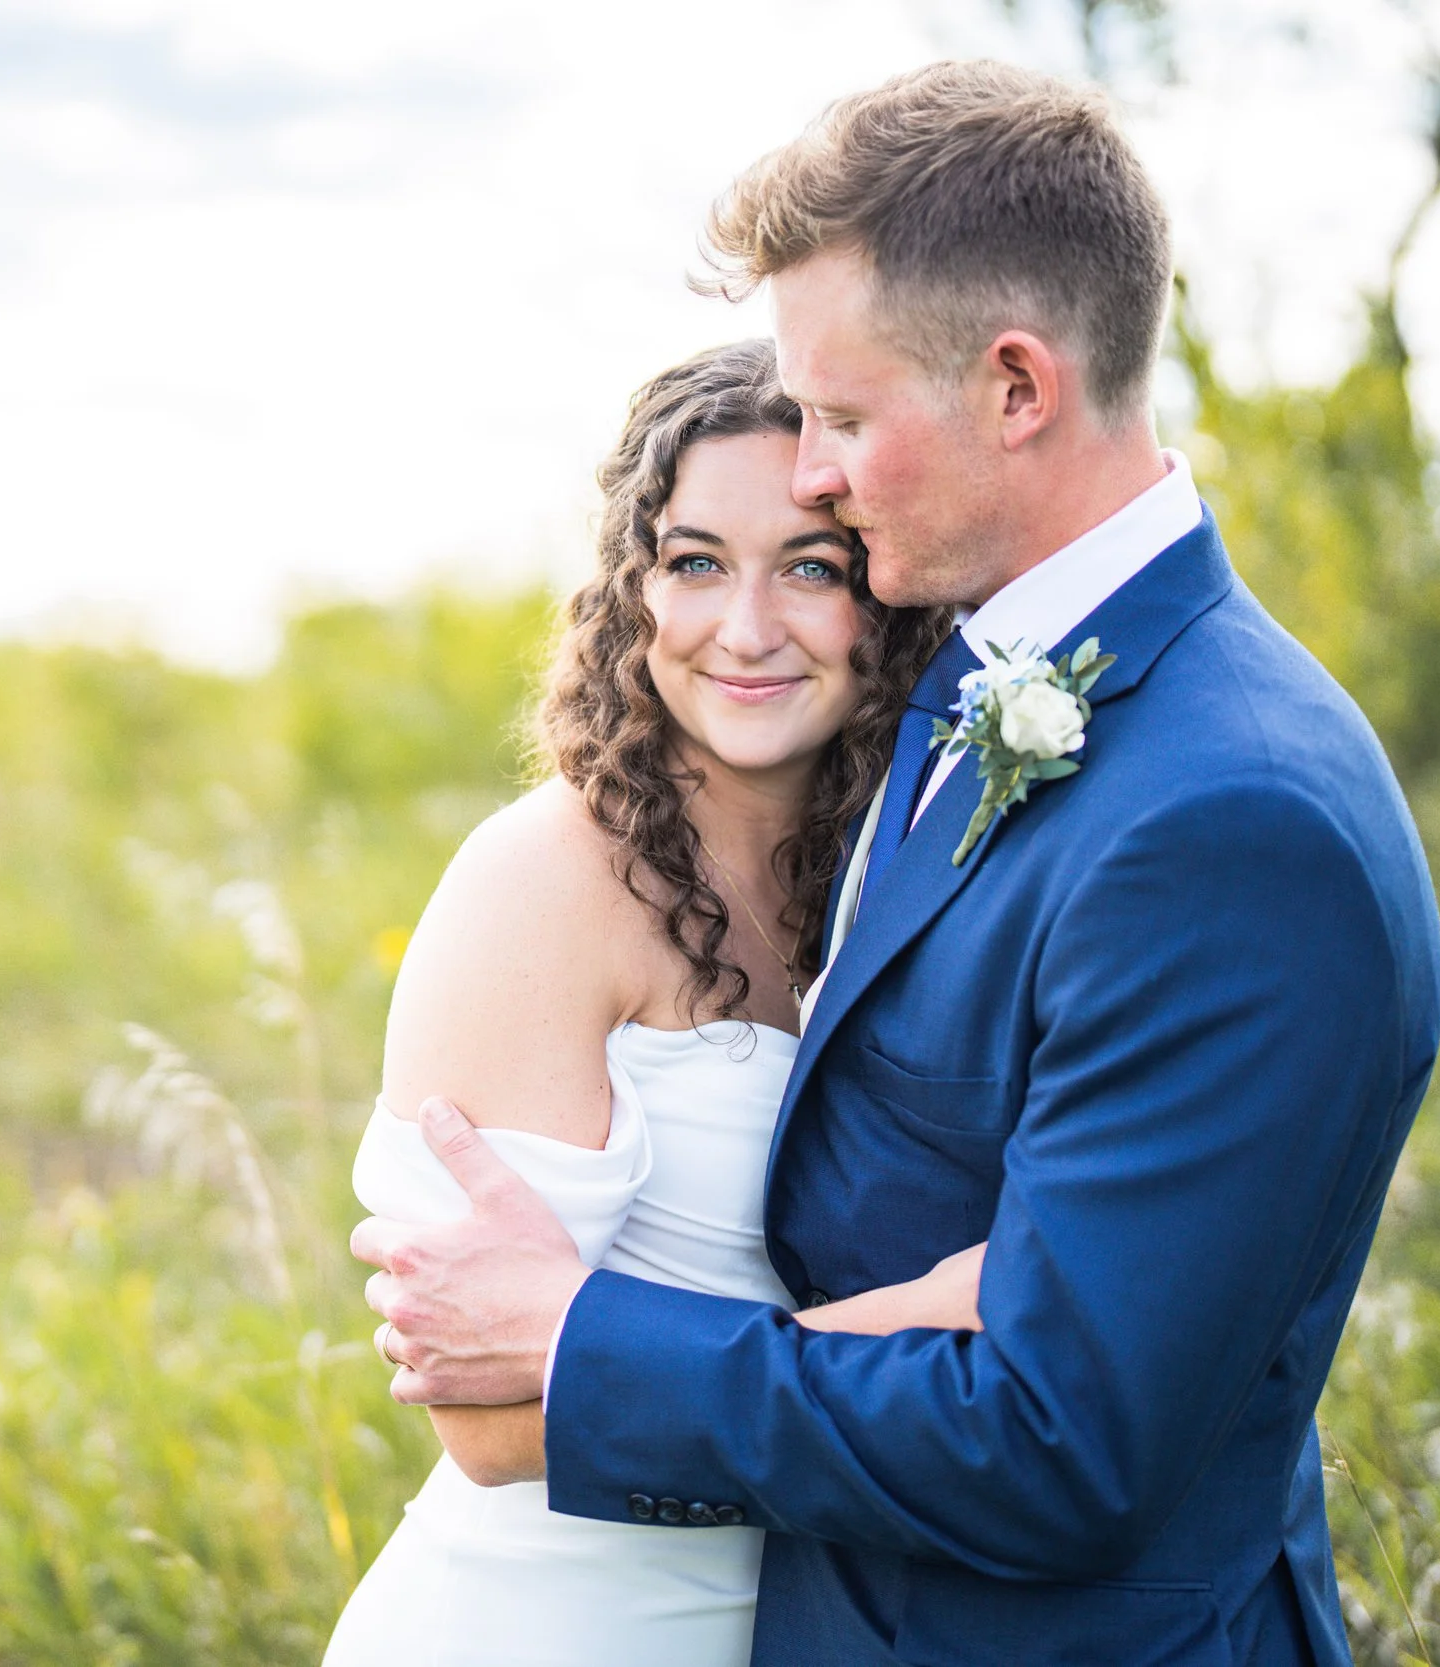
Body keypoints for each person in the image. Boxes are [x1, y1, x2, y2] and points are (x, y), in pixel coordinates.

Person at [351, 60, 1440, 1667]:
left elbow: (1067, 1433)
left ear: (1015, 388)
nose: (817, 473)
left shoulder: (1232, 815)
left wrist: (591, 1339)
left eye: (846, 421)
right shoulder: (970, 690)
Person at [322, 338, 971, 1666]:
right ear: (633, 588)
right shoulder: (544, 882)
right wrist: (950, 1316)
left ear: (883, 596)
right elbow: (492, 1421)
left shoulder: (901, 869)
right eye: (695, 562)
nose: (746, 627)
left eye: (810, 563)